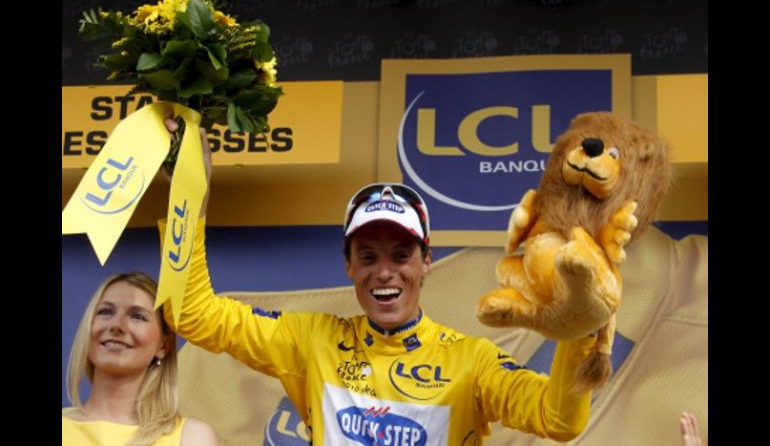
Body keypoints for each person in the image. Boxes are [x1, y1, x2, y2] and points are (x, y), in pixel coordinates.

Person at [161, 118, 598, 444]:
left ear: (426, 262)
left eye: (401, 254)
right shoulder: (310, 340)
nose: (384, 271)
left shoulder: (473, 361)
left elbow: (558, 419)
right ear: (348, 266)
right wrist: (189, 192)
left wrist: (579, 327)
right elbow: (191, 313)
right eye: (367, 256)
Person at [62, 271, 218, 446]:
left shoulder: (192, 437)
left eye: (137, 316)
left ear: (163, 346)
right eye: (105, 312)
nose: (116, 325)